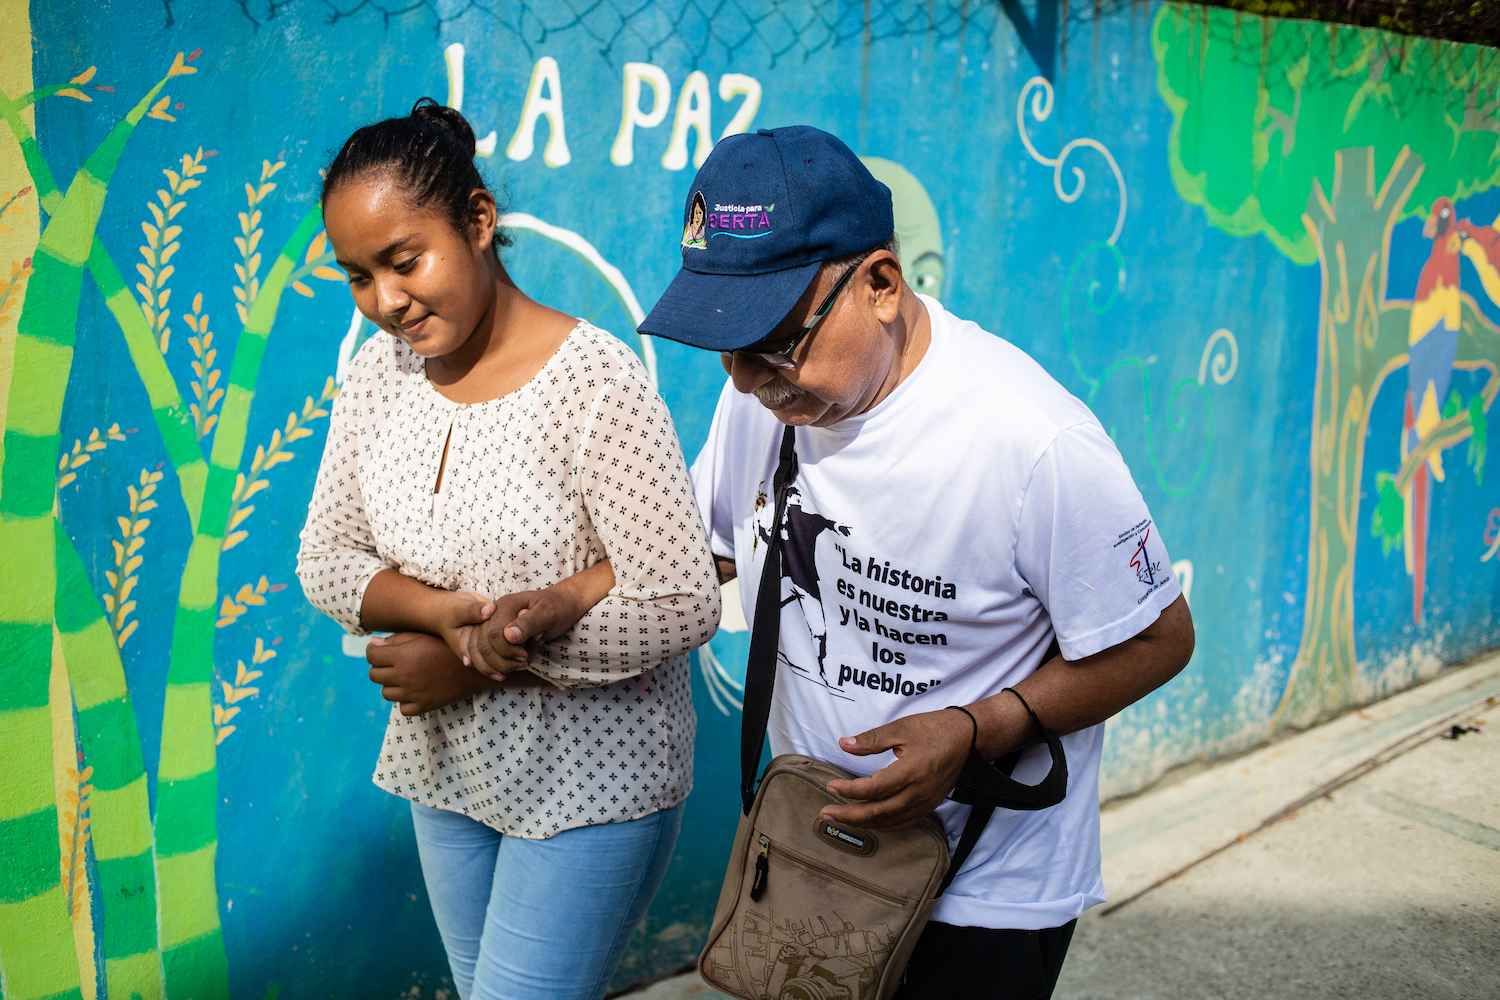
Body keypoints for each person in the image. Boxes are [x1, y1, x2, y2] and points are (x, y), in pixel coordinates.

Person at [639, 126, 1194, 1000]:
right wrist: (531, 614)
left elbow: (1159, 640)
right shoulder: (764, 400)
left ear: (882, 285)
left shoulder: (1033, 443)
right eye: (729, 350)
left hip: (984, 894)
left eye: (776, 342)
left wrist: (977, 730)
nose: (748, 380)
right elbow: (695, 552)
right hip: (813, 858)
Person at [296, 98, 720, 1000]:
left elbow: (679, 599)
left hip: (594, 782)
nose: (387, 301)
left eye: (405, 261)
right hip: (445, 770)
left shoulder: (595, 380)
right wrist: (442, 618)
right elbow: (326, 556)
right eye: (358, 277)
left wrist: (478, 665)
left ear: (480, 222)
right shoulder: (379, 374)